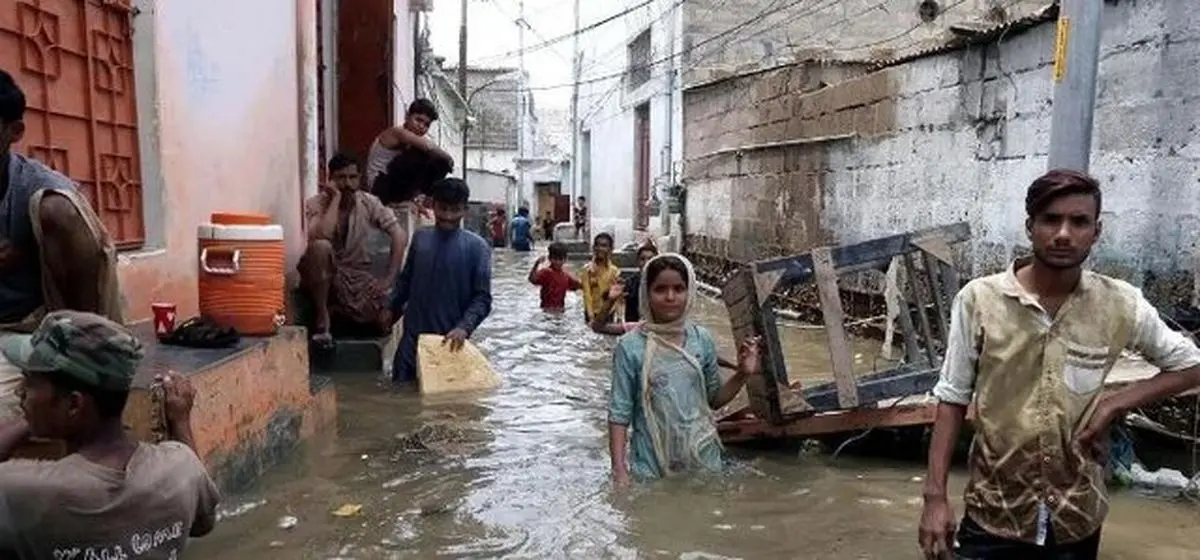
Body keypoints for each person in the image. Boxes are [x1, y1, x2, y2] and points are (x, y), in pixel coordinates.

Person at [918, 170, 1200, 560]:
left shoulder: (1119, 304)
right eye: (1051, 219)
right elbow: (952, 399)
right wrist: (935, 497)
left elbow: (1191, 366)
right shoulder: (980, 301)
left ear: (1096, 231)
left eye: (1079, 221)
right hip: (995, 512)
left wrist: (1114, 405)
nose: (1064, 234)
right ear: (1030, 227)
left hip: (1076, 516)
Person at [0, 310, 220, 558]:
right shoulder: (181, 466)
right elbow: (202, 524)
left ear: (74, 404)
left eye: (29, 382)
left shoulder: (23, 492)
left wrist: (29, 421)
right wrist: (180, 421)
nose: (20, 392)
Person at [0, 69, 123, 421]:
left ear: (14, 132)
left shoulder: (45, 195)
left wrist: (29, 254)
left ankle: (84, 362)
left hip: (34, 327)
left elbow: (90, 268)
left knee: (58, 210)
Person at [607, 254, 760, 485]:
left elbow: (714, 400)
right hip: (652, 462)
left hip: (702, 455)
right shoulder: (630, 347)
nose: (670, 297)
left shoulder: (701, 339)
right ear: (646, 293)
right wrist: (619, 470)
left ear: (690, 293)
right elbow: (619, 414)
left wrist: (742, 374)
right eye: (660, 289)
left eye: (679, 289)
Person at [385, 178, 493, 385]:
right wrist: (391, 308)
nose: (448, 216)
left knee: (445, 401)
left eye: (455, 210)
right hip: (411, 342)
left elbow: (482, 299)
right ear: (433, 205)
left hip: (449, 344)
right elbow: (405, 281)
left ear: (465, 209)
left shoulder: (478, 248)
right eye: (443, 209)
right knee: (398, 393)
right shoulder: (420, 238)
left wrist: (464, 327)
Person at [299, 153, 406, 347]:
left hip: (356, 277)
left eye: (352, 177)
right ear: (330, 179)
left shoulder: (369, 202)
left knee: (395, 304)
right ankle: (323, 316)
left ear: (359, 178)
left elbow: (398, 235)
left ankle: (341, 315)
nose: (347, 183)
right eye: (341, 177)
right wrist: (335, 198)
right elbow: (322, 235)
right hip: (323, 276)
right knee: (320, 248)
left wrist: (389, 278)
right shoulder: (315, 203)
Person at [578, 232, 620, 324]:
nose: (600, 248)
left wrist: (619, 317)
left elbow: (618, 297)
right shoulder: (587, 270)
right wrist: (591, 317)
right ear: (593, 248)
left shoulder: (614, 271)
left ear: (610, 249)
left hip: (609, 313)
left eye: (604, 246)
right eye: (597, 245)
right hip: (592, 313)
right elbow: (587, 295)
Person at [529, 242, 581, 311]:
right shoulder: (546, 272)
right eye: (555, 259)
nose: (557, 262)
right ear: (549, 258)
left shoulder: (566, 276)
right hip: (547, 310)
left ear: (565, 259)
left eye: (560, 259)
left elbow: (578, 286)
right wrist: (536, 264)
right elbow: (532, 279)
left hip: (560, 310)